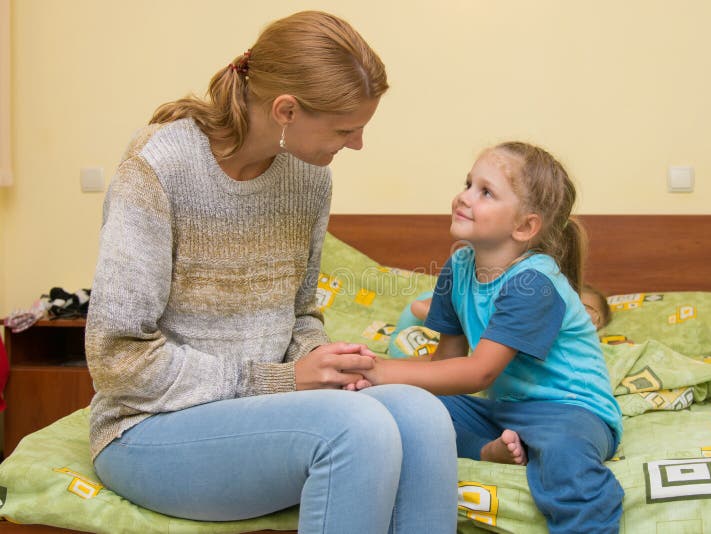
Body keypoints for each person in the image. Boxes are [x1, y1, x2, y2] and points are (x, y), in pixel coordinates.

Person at [85, 11, 457, 533]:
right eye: (346, 129)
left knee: (423, 417)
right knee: (358, 429)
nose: (357, 145)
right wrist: (280, 379)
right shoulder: (160, 166)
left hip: (262, 413)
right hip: (148, 427)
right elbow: (116, 358)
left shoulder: (309, 181)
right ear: (286, 110)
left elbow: (300, 314)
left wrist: (322, 362)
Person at [355, 142, 625, 533]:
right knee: (401, 406)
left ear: (524, 226)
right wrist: (367, 369)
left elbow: (479, 372)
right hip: (503, 410)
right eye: (468, 184)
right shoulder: (458, 267)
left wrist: (383, 369)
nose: (463, 197)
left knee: (563, 452)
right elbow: (447, 366)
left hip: (569, 410)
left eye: (485, 192)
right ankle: (487, 451)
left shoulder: (534, 283)